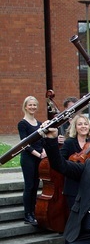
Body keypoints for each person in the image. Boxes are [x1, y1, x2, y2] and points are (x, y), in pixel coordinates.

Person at [60, 114, 90, 210]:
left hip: (88, 184)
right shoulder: (69, 142)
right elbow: (61, 160)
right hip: (73, 185)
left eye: (86, 124)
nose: (83, 126)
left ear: (89, 126)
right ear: (75, 127)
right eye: (80, 124)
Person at [17, 96, 45, 226]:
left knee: (35, 186)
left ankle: (34, 212)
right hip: (29, 158)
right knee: (29, 186)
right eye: (30, 105)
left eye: (34, 105)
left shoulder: (39, 123)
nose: (32, 107)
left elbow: (43, 140)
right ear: (25, 107)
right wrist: (38, 154)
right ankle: (27, 214)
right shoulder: (22, 124)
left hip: (39, 157)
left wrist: (44, 151)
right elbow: (25, 144)